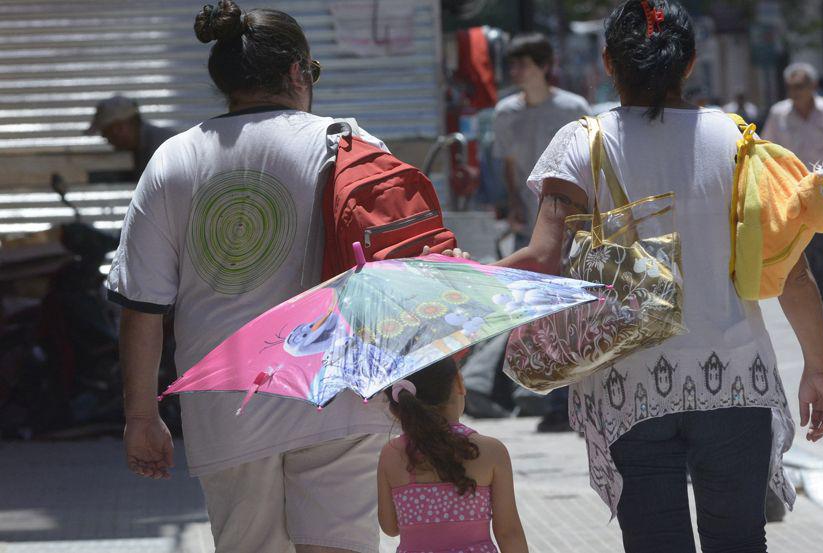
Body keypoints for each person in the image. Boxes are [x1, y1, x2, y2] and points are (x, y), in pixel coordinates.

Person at [496, 1, 823, 551]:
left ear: (608, 63)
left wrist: (457, 277)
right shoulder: (736, 143)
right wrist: (817, 367)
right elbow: (790, 271)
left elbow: (540, 258)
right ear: (690, 64)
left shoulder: (581, 142)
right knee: (739, 541)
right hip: (733, 378)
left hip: (628, 384)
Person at [107, 3, 393, 552]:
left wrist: (141, 417)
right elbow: (395, 272)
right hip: (339, 390)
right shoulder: (348, 144)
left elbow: (142, 305)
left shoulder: (173, 160)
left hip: (227, 403)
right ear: (297, 72)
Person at [492, 33, 590, 433]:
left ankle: (568, 400)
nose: (515, 72)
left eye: (523, 64)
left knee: (570, 311)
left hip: (572, 226)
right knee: (532, 314)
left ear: (544, 66)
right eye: (512, 65)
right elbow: (510, 165)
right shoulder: (505, 112)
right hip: (528, 227)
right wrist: (513, 206)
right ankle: (541, 395)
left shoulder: (573, 108)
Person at [377, 358, 529, 553]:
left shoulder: (392, 454)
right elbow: (509, 532)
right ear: (459, 382)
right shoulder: (491, 451)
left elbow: (390, 527)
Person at [763, 62, 823, 312]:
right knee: (798, 247)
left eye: (800, 86)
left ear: (813, 86)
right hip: (789, 191)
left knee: (820, 247)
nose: (795, 91)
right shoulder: (779, 114)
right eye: (791, 87)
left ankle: (818, 301)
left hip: (821, 192)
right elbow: (766, 152)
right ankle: (806, 301)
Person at [86, 95, 178, 180]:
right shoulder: (139, 149)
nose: (106, 138)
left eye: (106, 132)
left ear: (119, 128)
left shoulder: (162, 148)